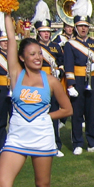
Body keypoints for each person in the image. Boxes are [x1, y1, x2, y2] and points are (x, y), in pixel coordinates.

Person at [0, 13, 73, 187]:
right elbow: (9, 36)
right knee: (2, 183)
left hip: (41, 138)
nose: (38, 57)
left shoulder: (50, 81)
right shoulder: (15, 76)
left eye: (39, 54)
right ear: (21, 58)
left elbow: (67, 109)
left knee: (42, 185)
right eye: (32, 55)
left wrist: (45, 118)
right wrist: (6, 11)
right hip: (16, 138)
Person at [63, 1, 94, 155]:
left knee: (91, 113)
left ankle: (92, 142)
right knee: (76, 113)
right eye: (80, 26)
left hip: (92, 80)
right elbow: (68, 65)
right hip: (77, 81)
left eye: (85, 26)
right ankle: (77, 143)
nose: (83, 28)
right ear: (75, 27)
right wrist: (71, 85)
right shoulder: (70, 44)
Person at [34, 16, 65, 156]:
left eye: (48, 31)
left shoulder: (56, 46)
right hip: (37, 84)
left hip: (52, 84)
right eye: (43, 31)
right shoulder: (33, 46)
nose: (46, 34)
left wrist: (59, 71)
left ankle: (55, 144)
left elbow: (63, 64)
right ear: (38, 32)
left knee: (54, 113)